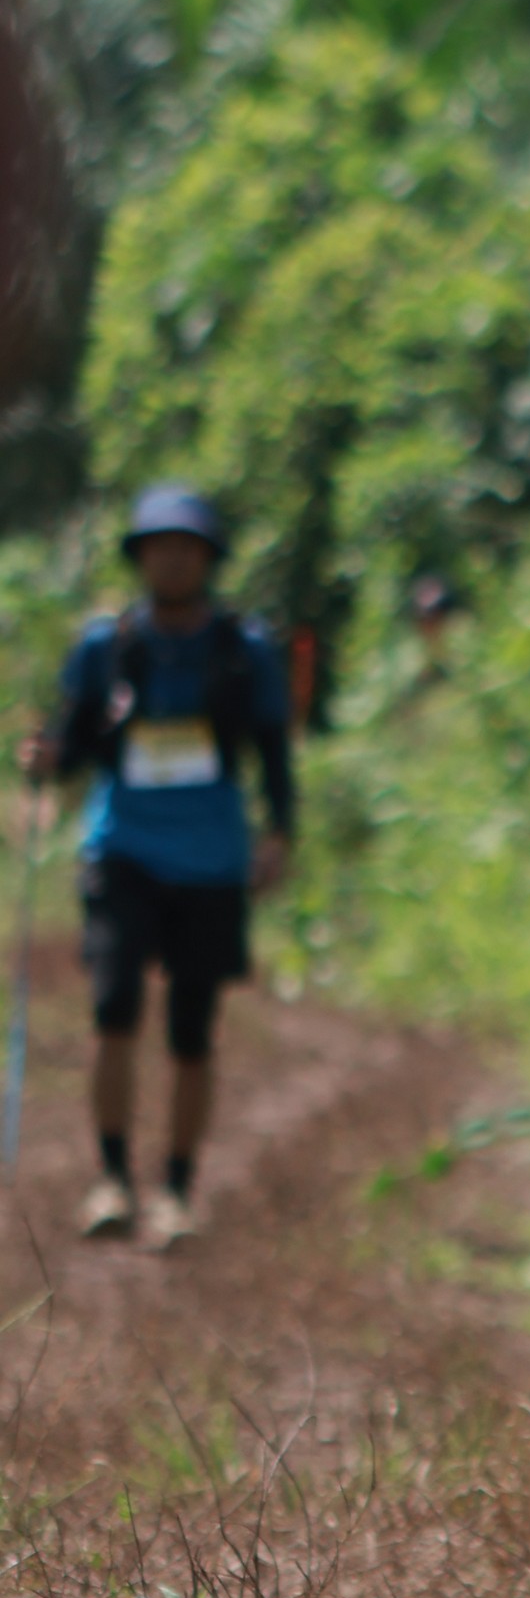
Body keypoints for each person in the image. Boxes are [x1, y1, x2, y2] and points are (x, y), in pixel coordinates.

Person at [20, 484, 293, 1248]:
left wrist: (281, 835)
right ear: (140, 558)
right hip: (123, 848)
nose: (173, 560)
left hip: (211, 859)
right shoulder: (103, 648)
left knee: (191, 1030)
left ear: (207, 559)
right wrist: (46, 758)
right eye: (160, 547)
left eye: (187, 548)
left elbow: (272, 751)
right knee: (114, 1009)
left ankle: (176, 1189)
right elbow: (75, 740)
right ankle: (112, 1178)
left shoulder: (245, 651)